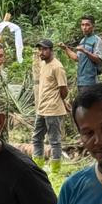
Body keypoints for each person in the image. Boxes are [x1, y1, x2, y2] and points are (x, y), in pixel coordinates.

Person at [33, 39, 68, 175]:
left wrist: (60, 101)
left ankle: (55, 171)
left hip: (53, 110)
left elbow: (63, 90)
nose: (41, 52)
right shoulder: (43, 64)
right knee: (37, 138)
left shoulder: (57, 67)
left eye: (44, 49)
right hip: (41, 109)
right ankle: (37, 167)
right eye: (40, 49)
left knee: (54, 140)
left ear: (51, 50)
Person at [63, 15, 102, 93]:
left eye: (87, 25)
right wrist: (65, 48)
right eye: (82, 25)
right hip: (81, 81)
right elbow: (77, 58)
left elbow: (98, 60)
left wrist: (85, 51)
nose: (84, 27)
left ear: (93, 26)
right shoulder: (82, 41)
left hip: (91, 82)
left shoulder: (97, 40)